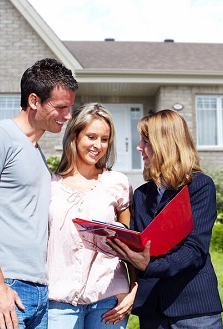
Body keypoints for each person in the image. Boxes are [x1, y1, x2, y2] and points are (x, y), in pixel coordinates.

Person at [0, 58, 78, 329]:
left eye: (69, 107)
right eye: (60, 107)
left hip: (37, 290)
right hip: (5, 289)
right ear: (34, 100)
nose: (68, 115)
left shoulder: (35, 152)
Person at [108, 109, 223, 328]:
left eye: (145, 142)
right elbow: (136, 241)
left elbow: (195, 250)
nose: (139, 148)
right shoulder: (142, 195)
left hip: (193, 308)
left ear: (166, 145)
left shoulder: (199, 186)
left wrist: (149, 264)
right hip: (152, 310)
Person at [47, 103, 137, 329]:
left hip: (107, 299)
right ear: (74, 136)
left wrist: (133, 290)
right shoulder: (49, 185)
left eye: (104, 139)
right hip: (59, 301)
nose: (98, 145)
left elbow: (130, 246)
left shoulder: (117, 183)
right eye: (91, 136)